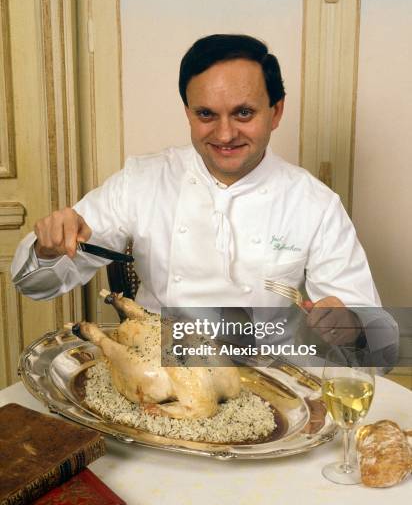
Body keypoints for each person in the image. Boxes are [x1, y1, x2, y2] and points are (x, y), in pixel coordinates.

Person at [11, 34, 397, 355]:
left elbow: (375, 340)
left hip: (269, 380)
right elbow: (35, 286)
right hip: (155, 368)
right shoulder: (143, 180)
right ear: (188, 113)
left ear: (276, 112)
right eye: (206, 115)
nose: (225, 135)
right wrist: (48, 248)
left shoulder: (314, 204)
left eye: (244, 113)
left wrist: (349, 323)